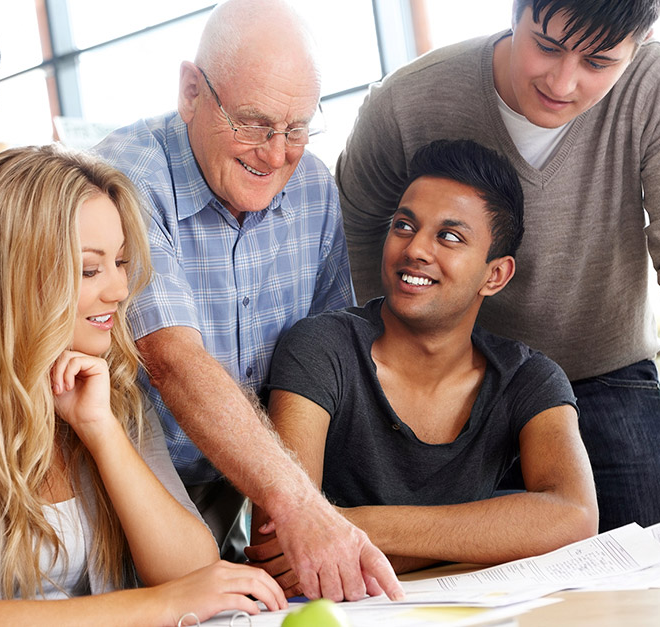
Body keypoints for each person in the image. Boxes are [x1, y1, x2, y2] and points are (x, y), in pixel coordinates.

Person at [0, 145, 287, 625]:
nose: (119, 290)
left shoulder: (111, 394)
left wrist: (101, 433)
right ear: (10, 276)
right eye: (89, 269)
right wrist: (159, 605)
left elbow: (197, 575)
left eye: (121, 262)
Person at [336, 0, 660, 532]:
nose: (562, 81)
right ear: (515, 11)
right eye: (547, 47)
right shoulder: (406, 102)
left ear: (642, 40)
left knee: (653, 577)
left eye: (597, 63)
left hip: (609, 377)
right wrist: (392, 387)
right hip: (461, 391)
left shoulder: (658, 87)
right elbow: (349, 251)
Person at [93, 0, 402, 602]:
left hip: (234, 488)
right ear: (191, 92)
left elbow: (323, 362)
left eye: (296, 128)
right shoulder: (126, 177)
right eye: (254, 124)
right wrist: (296, 504)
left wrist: (288, 518)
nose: (275, 152)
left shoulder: (312, 187)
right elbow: (173, 359)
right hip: (115, 493)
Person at [248, 140, 598, 592]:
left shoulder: (528, 379)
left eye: (449, 237)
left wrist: (347, 527)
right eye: (404, 225)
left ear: (495, 275)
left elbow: (574, 516)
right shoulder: (321, 346)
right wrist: (495, 533)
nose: (415, 249)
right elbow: (279, 550)